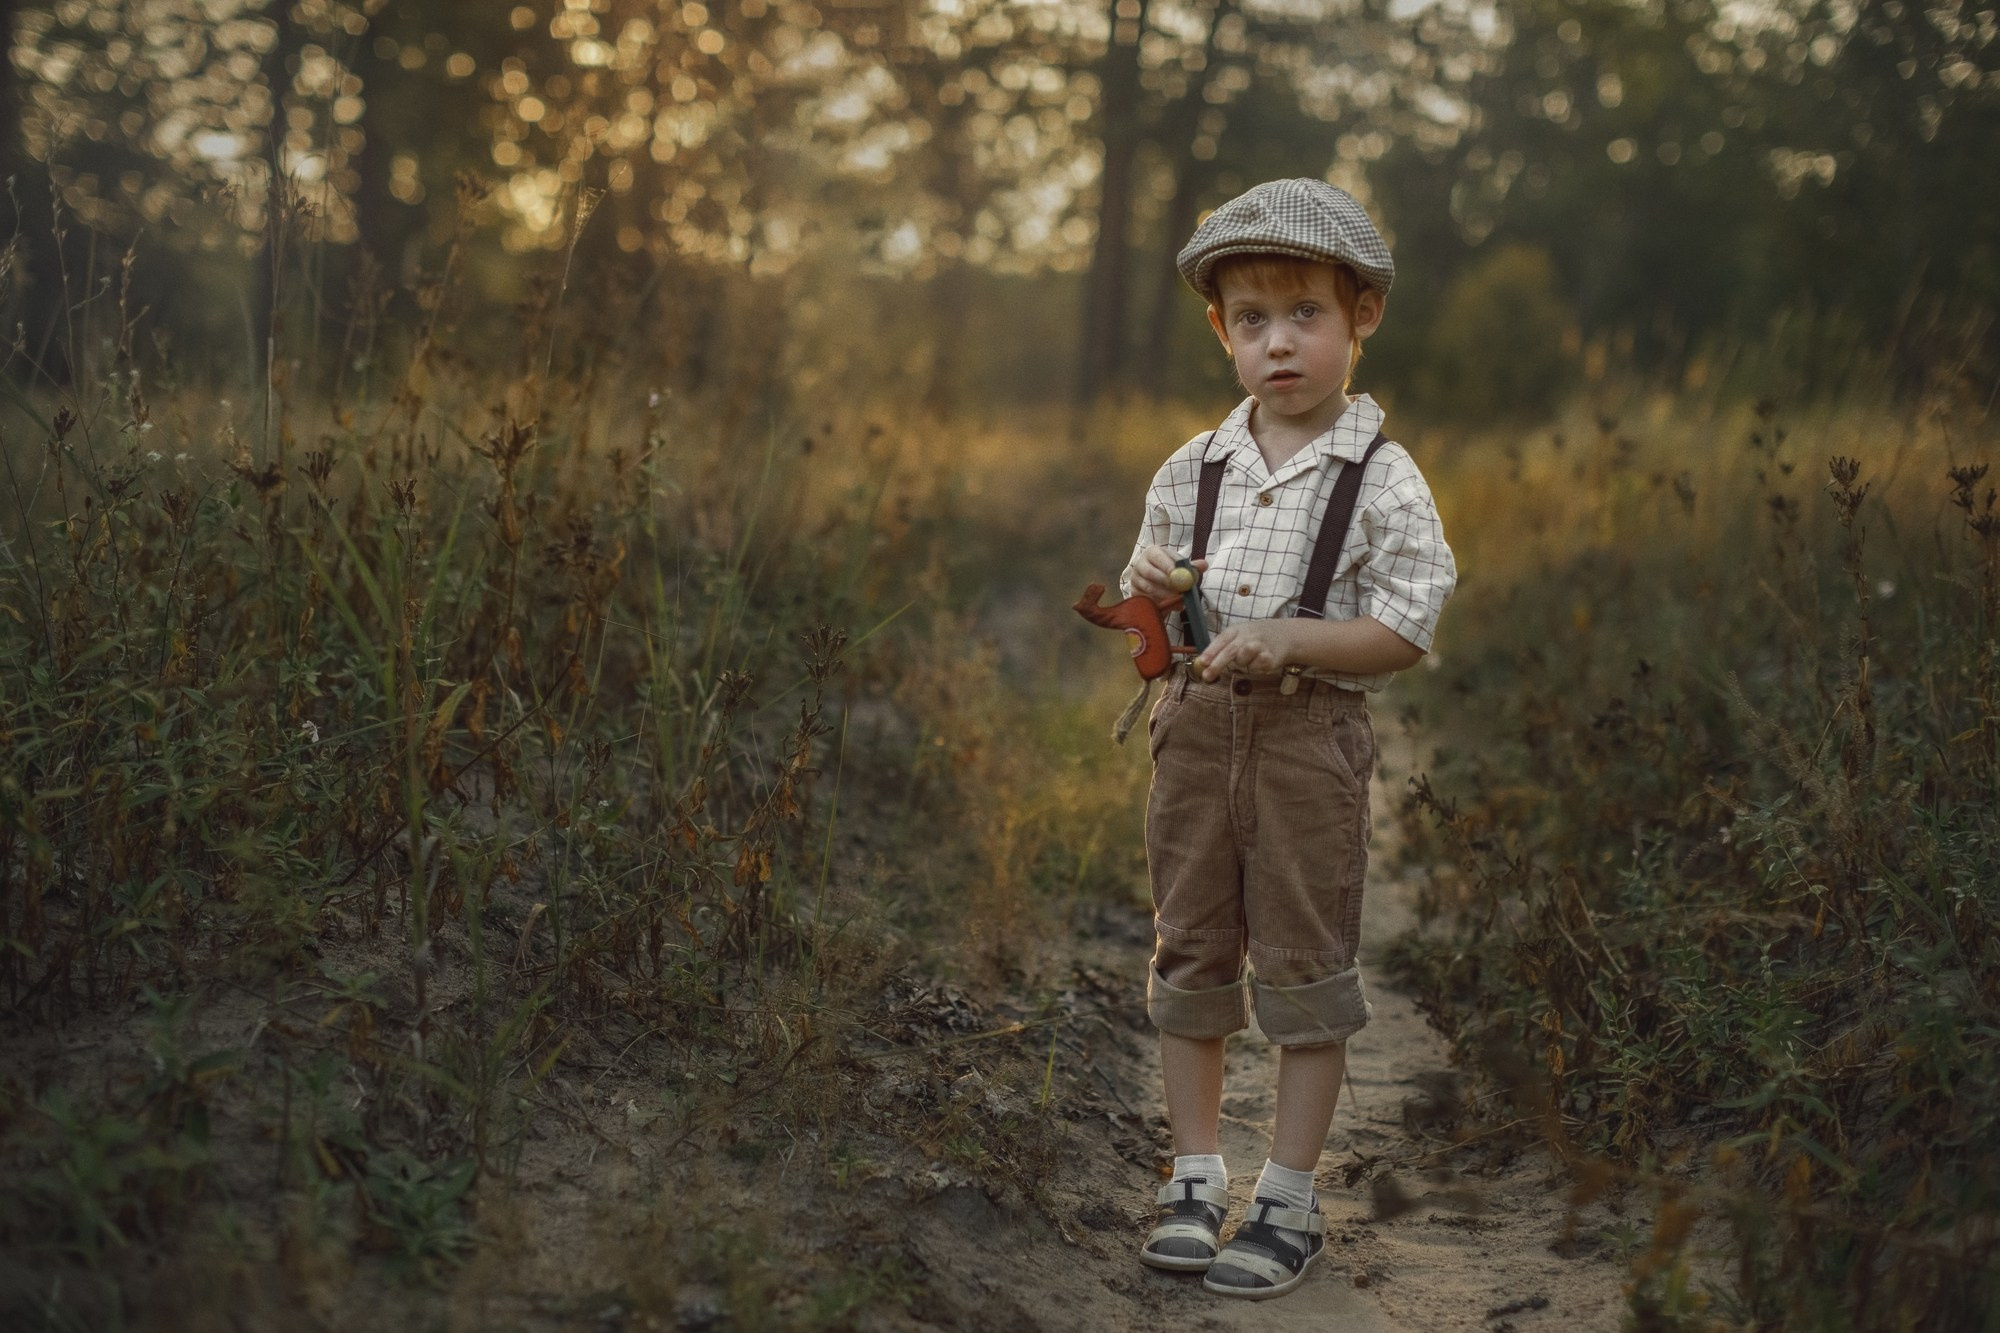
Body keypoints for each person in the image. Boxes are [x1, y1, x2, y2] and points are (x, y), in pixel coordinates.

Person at [1117, 177, 1457, 1300]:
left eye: (1303, 314)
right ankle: (1193, 1174)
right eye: (1250, 320)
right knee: (1191, 951)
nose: (1277, 345)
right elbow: (1151, 602)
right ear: (1221, 331)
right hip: (1195, 737)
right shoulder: (1193, 467)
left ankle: (1288, 1198)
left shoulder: (1379, 477)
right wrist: (1159, 595)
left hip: (1309, 741)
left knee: (1305, 966)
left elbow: (1406, 623)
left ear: (1360, 315)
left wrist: (1286, 634)